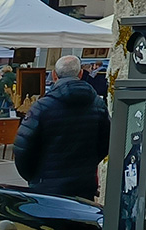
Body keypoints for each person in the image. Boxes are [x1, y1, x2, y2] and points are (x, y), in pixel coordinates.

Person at [13, 55, 110, 198]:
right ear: (81, 74)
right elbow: (106, 141)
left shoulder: (42, 107)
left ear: (54, 75)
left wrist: (33, 177)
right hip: (83, 183)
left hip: (47, 186)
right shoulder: (97, 104)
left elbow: (23, 148)